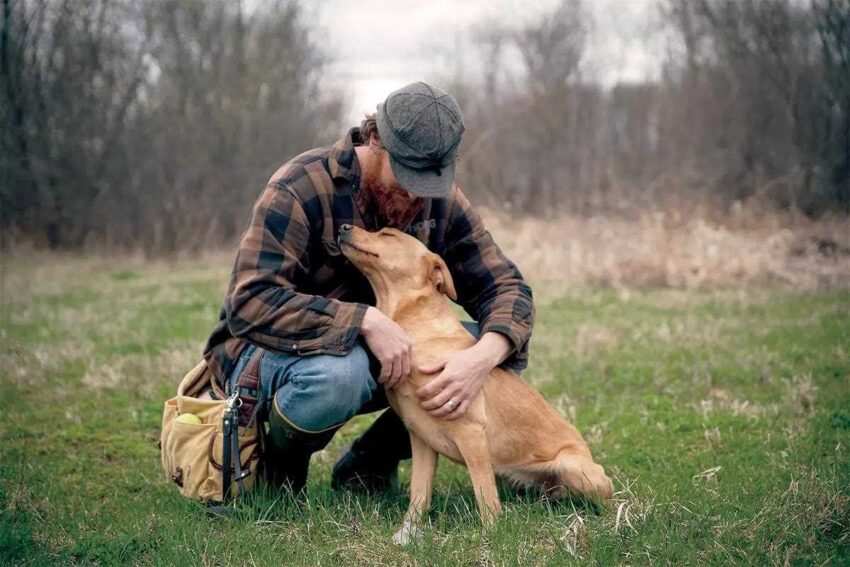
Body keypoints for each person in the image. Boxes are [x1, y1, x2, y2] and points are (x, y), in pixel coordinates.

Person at [203, 81, 534, 494]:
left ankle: (367, 466)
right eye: (408, 175)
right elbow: (250, 303)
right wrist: (363, 321)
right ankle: (280, 472)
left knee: (467, 350)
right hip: (266, 353)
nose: (418, 194)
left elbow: (506, 288)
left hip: (381, 353)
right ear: (375, 139)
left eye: (429, 182)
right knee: (342, 373)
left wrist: (483, 357)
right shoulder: (301, 186)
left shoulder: (437, 197)